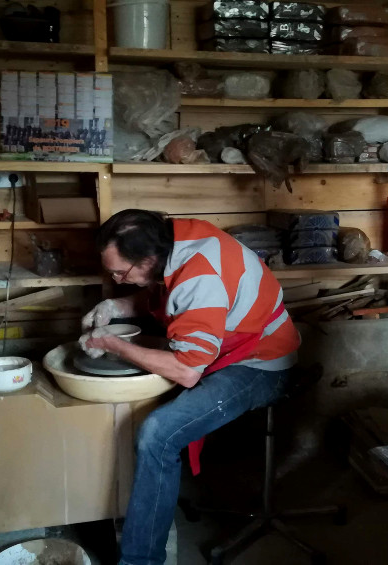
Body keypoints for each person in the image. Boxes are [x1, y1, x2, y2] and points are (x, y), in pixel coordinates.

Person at [80, 209, 300, 565]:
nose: (118, 279)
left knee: (157, 433)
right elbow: (167, 296)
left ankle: (139, 561)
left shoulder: (198, 276)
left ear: (148, 259)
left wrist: (113, 345)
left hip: (262, 363)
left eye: (121, 272)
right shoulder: (177, 238)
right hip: (231, 347)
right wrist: (113, 307)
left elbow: (186, 371)